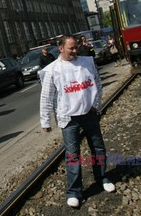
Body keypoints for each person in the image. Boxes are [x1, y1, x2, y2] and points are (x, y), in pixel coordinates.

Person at [39, 35, 115, 208]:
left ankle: (102, 177)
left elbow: (97, 83)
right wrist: (45, 121)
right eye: (70, 48)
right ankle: (74, 191)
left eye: (76, 48)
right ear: (61, 48)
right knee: (73, 154)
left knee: (98, 146)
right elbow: (46, 97)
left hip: (89, 113)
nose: (74, 51)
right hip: (68, 118)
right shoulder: (52, 69)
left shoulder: (87, 62)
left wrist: (96, 106)